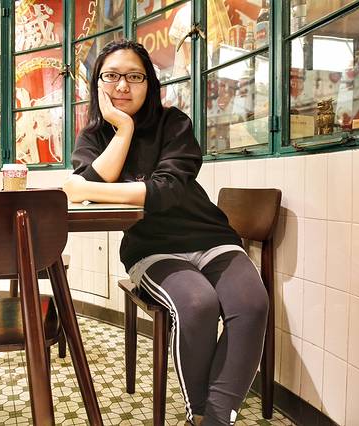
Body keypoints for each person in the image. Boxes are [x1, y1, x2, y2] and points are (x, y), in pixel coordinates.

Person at [63, 39, 269, 426]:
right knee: (198, 304)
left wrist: (85, 187)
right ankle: (204, 415)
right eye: (111, 76)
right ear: (97, 83)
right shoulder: (93, 137)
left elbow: (166, 190)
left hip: (211, 237)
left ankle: (213, 420)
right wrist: (123, 130)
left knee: (253, 304)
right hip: (151, 249)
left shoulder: (175, 124)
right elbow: (95, 185)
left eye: (134, 76)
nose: (122, 86)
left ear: (150, 83)